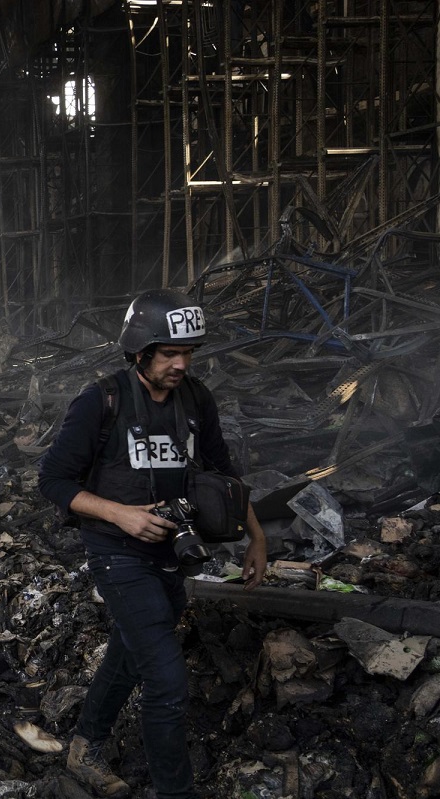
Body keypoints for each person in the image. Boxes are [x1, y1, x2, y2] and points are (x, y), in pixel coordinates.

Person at [35, 288, 267, 799]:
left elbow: (223, 474)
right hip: (117, 553)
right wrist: (120, 514)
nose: (181, 364)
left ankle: (85, 747)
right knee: (167, 682)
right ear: (140, 351)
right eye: (169, 354)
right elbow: (52, 479)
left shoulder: (195, 399)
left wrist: (256, 537)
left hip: (172, 553)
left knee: (131, 647)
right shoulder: (103, 399)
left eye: (188, 353)